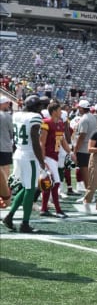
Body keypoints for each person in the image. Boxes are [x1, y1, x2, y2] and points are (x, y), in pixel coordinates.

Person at [2, 95, 48, 233]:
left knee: (24, 187)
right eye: (40, 105)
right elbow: (35, 140)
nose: (42, 107)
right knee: (30, 189)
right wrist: (41, 161)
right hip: (29, 156)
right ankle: (25, 223)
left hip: (18, 154)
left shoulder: (17, 115)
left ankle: (9, 216)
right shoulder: (35, 117)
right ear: (35, 106)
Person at [39, 101, 73, 218]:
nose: (61, 112)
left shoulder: (60, 123)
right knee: (56, 182)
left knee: (49, 183)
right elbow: (41, 142)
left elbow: (62, 141)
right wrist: (42, 159)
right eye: (59, 110)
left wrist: (70, 152)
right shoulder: (46, 123)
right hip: (48, 156)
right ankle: (57, 210)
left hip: (55, 156)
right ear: (54, 112)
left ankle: (44, 209)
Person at [73, 99, 96, 194]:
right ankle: (90, 192)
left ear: (82, 108)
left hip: (83, 149)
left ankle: (89, 194)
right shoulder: (93, 117)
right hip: (90, 147)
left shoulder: (84, 119)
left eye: (79, 107)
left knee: (84, 171)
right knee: (89, 171)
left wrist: (75, 150)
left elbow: (82, 136)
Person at [0, 95, 12, 208]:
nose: (8, 105)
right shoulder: (6, 116)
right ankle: (5, 197)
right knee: (5, 173)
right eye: (6, 103)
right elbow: (11, 131)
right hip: (4, 146)